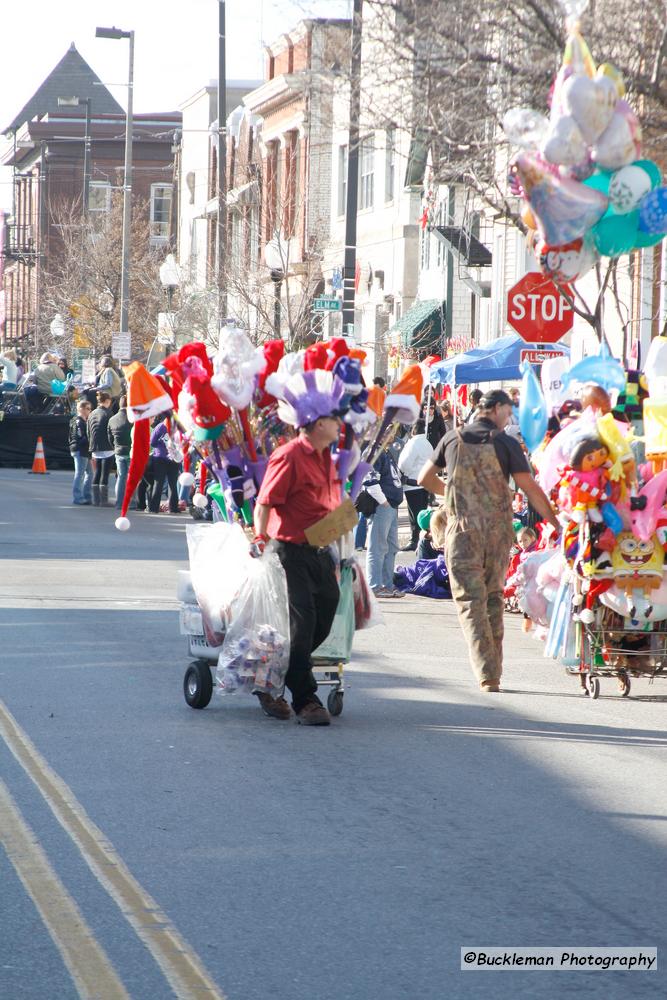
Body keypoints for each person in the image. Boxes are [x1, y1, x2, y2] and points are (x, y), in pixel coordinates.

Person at [418, 388, 559, 693]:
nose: (508, 419)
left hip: (463, 531)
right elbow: (530, 488)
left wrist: (453, 493)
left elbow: (424, 479)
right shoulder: (505, 442)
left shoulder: (452, 438)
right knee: (493, 595)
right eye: (507, 413)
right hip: (497, 531)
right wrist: (556, 522)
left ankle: (487, 672)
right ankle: (493, 669)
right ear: (495, 409)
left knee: (470, 600)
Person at [252, 370, 345, 726]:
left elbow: (331, 504)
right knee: (302, 623)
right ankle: (306, 698)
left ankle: (272, 679)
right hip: (289, 551)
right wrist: (260, 540)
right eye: (333, 419)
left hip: (320, 550)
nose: (339, 424)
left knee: (326, 610)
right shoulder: (289, 455)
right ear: (318, 422)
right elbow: (265, 501)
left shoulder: (326, 456)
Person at [364, 449, 404, 598]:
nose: (390, 430)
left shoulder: (385, 451)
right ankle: (375, 585)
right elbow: (369, 480)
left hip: (391, 505)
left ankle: (387, 585)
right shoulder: (375, 451)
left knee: (391, 547)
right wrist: (384, 501)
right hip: (383, 505)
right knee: (378, 547)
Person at [397, 424, 434, 550]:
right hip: (424, 482)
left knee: (414, 514)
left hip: (412, 483)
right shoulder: (427, 443)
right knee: (422, 512)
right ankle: (422, 537)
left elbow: (404, 463)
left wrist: (401, 474)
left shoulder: (413, 443)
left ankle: (415, 539)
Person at [148, 416, 182, 513]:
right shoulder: (179, 427)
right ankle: (173, 507)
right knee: (173, 483)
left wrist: (161, 444)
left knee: (158, 483)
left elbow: (152, 442)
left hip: (160, 457)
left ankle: (154, 508)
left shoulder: (160, 427)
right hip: (174, 457)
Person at [87, 391, 115, 506]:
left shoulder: (92, 413)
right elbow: (110, 431)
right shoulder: (108, 413)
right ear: (107, 401)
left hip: (94, 447)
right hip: (107, 447)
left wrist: (91, 444)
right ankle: (103, 501)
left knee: (97, 472)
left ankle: (96, 500)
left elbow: (88, 431)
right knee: (105, 473)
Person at [108, 395, 132, 510]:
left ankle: (119, 502)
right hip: (130, 450)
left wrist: (115, 446)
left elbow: (109, 437)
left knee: (121, 477)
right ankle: (131, 502)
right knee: (131, 477)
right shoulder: (132, 418)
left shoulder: (112, 419)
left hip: (118, 450)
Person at [69, 399, 93, 505]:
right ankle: (78, 497)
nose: (89, 411)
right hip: (80, 449)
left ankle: (87, 495)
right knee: (80, 474)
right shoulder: (78, 421)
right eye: (87, 408)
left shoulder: (80, 421)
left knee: (90, 473)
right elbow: (80, 437)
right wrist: (91, 439)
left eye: (90, 409)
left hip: (82, 449)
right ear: (81, 409)